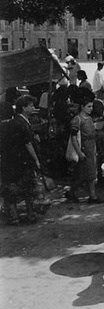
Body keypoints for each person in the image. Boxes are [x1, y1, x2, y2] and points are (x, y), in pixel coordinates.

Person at [1, 96, 40, 224]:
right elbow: (27, 144)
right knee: (26, 187)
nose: (33, 108)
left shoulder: (14, 123)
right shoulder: (21, 123)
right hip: (21, 161)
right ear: (24, 108)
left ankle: (15, 216)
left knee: (12, 188)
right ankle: (29, 214)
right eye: (31, 106)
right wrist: (36, 160)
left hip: (11, 161)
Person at [65, 92, 104, 204]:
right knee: (83, 175)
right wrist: (79, 152)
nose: (91, 109)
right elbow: (73, 137)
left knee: (89, 173)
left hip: (91, 148)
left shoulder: (89, 119)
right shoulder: (78, 119)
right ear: (82, 107)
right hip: (83, 149)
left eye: (92, 106)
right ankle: (75, 193)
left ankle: (91, 196)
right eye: (89, 106)